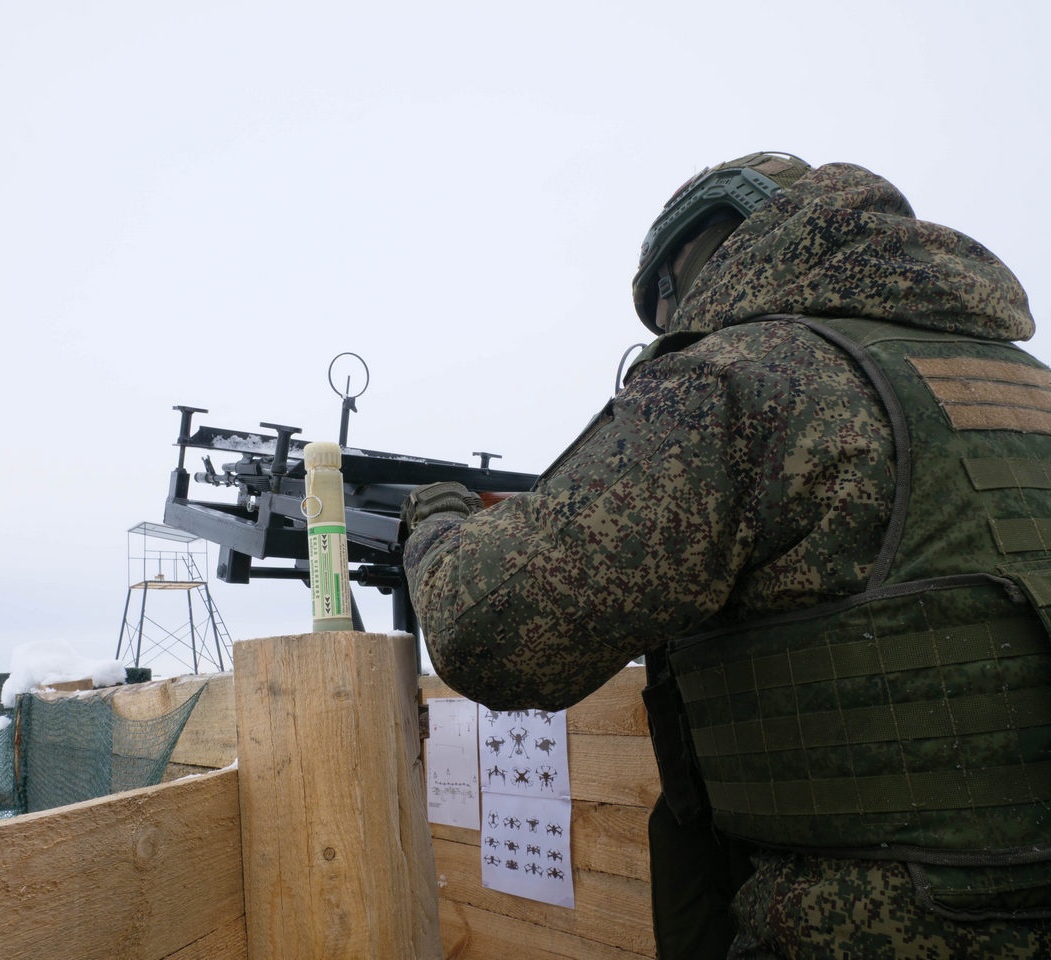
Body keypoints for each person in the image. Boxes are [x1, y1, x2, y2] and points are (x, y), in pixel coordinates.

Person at [400, 152, 1051, 958]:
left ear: (714, 247)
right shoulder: (1028, 385)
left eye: (668, 296)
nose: (675, 320)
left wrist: (434, 523)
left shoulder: (744, 377)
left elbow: (489, 631)